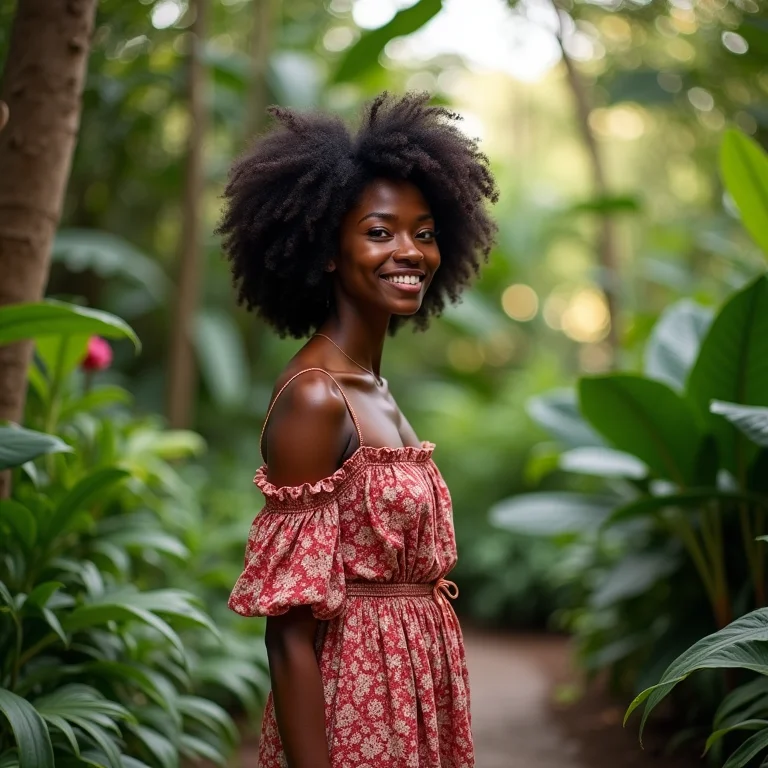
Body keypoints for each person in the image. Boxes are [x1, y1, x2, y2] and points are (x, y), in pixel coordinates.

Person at [221, 92, 498, 768]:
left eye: (424, 232)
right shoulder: (317, 397)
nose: (410, 251)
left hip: (415, 700)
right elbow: (287, 640)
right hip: (356, 719)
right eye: (379, 232)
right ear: (325, 252)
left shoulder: (372, 386)